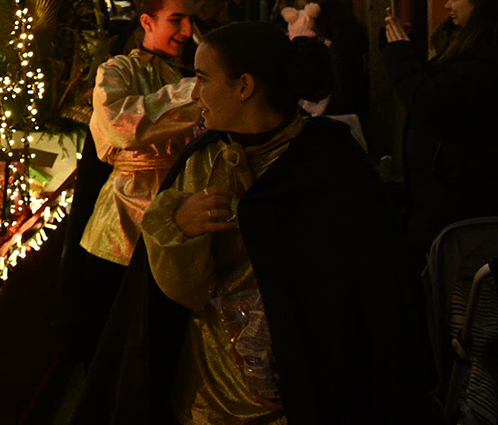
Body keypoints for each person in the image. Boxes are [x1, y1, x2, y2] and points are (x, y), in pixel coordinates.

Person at [79, 23, 425, 424]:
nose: (196, 92)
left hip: (306, 394)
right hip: (209, 396)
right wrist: (179, 227)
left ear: (244, 86)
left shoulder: (329, 163)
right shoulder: (202, 160)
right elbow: (175, 296)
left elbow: (368, 293)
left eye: (204, 79)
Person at [83, 0, 200, 269]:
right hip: (124, 222)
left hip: (180, 213)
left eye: (190, 20)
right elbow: (120, 126)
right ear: (147, 22)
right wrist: (195, 92)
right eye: (176, 20)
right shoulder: (117, 71)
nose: (187, 31)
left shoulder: (189, 72)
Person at [383, 0, 498, 255]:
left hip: (456, 203)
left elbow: (427, 99)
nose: (447, 6)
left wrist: (399, 53)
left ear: (478, 5)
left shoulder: (482, 58)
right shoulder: (464, 48)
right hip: (438, 198)